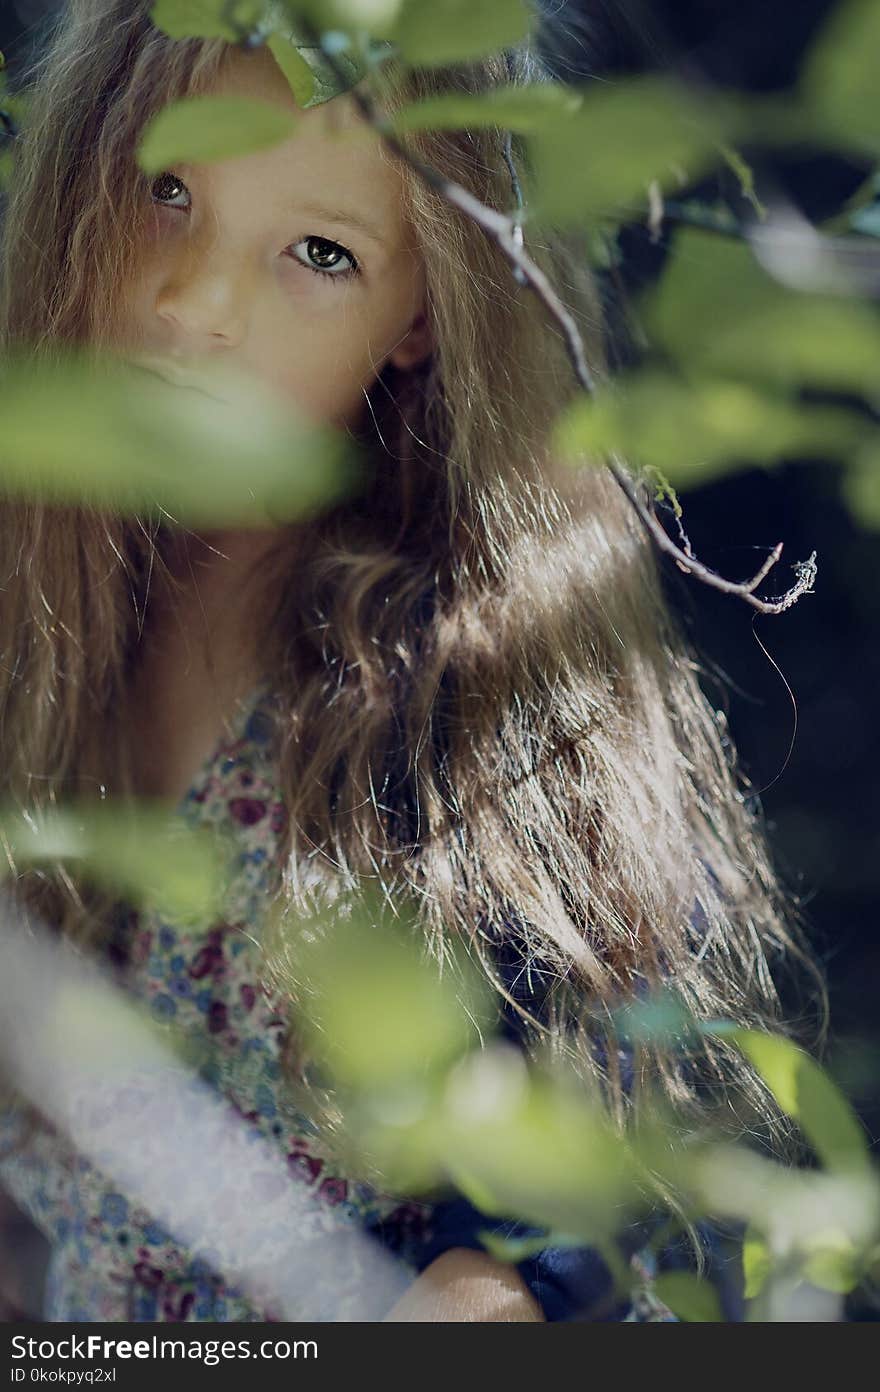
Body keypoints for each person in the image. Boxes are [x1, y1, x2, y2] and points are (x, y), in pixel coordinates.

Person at [0, 0, 823, 1322]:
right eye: (166, 192)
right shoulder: (32, 638)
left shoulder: (479, 697)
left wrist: (490, 1288)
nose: (197, 305)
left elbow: (619, 1212)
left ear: (420, 318)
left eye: (318, 251)